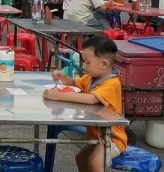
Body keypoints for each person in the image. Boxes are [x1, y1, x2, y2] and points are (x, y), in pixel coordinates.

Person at [44, 35, 127, 171]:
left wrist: (58, 96)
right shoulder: (90, 78)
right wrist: (62, 77)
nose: (84, 65)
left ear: (104, 64)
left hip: (112, 138)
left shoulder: (112, 83)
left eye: (87, 62)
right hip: (97, 137)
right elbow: (73, 83)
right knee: (81, 159)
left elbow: (91, 99)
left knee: (95, 162)